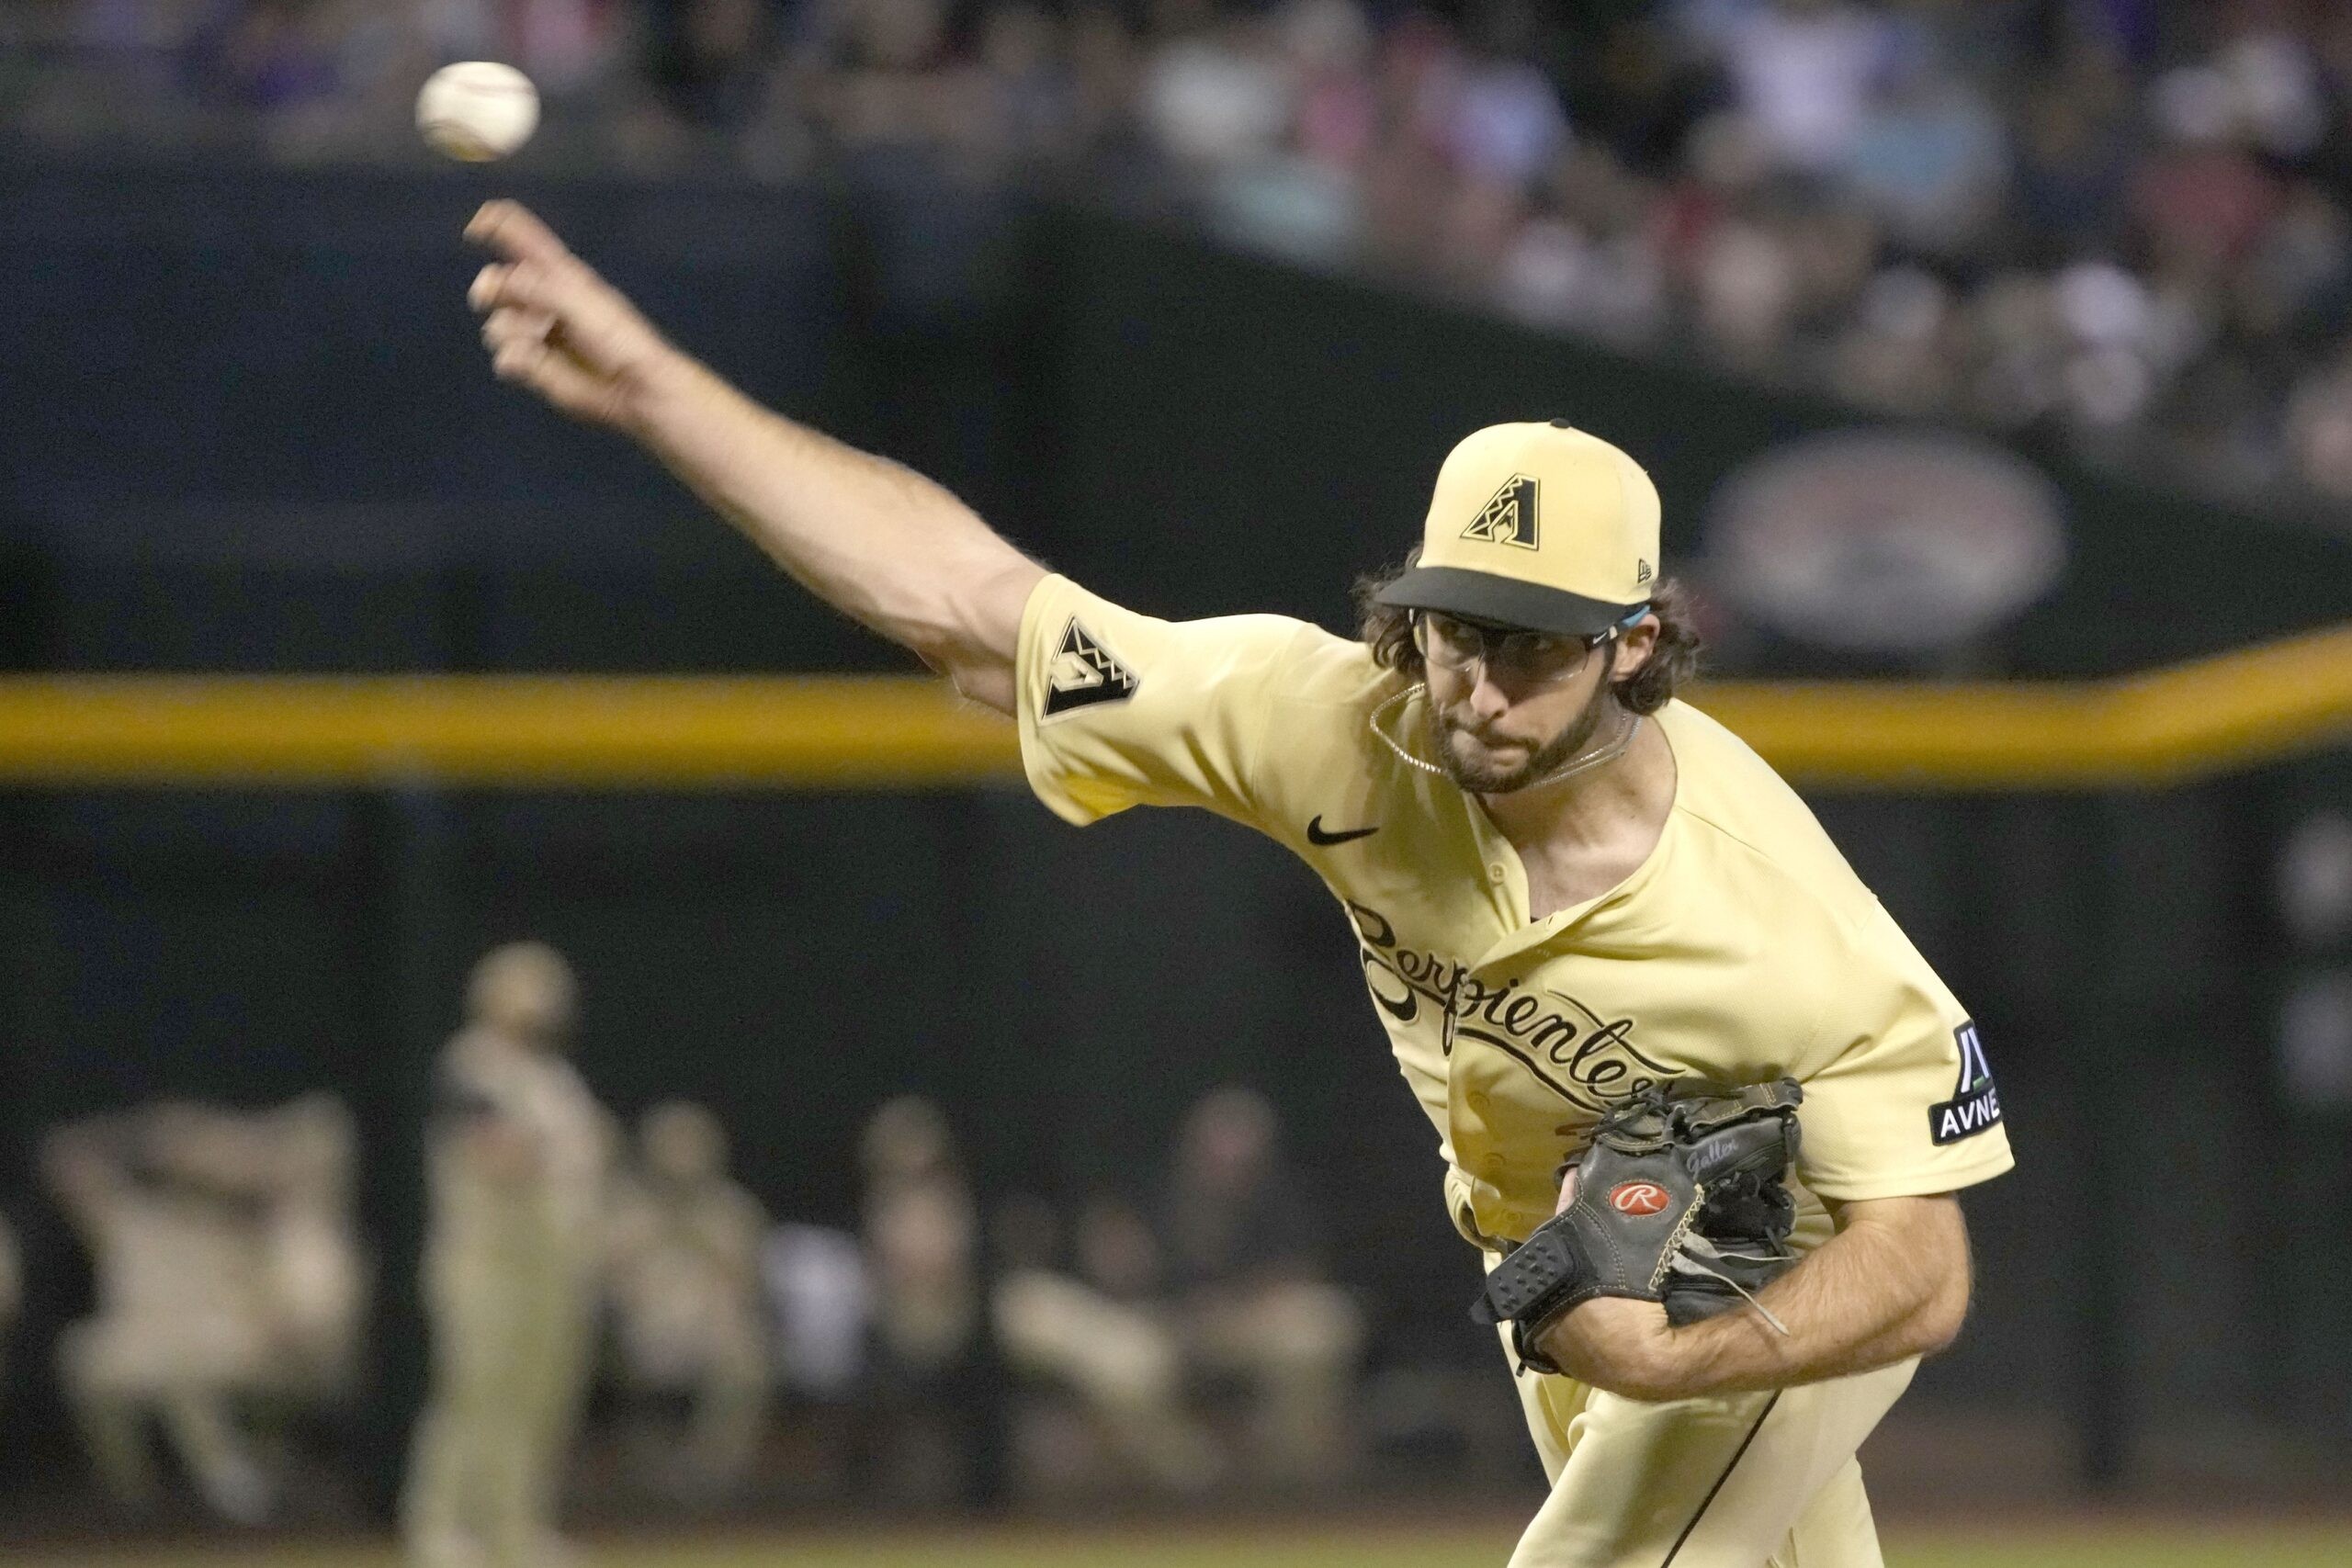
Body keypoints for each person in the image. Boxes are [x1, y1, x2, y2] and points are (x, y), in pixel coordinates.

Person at [463, 201, 2016, 1567]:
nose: (1475, 683)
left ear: (1635, 645)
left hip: (1773, 1247)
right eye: (1455, 625)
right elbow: (964, 603)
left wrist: (1690, 1360)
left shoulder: (1774, 923)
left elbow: (1921, 1263)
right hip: (1569, 1241)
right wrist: (663, 392)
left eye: (1530, 642)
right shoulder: (1330, 719)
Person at [404, 942, 614, 1568]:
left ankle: (516, 1529)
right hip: (486, 1262)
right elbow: (493, 1149)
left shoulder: (556, 1079)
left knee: (540, 1399)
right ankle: (439, 1529)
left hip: (555, 1266)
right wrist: (547, 1155)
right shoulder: (472, 1064)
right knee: (474, 1394)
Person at [605, 1099, 772, 1502]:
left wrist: (703, 1245)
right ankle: (647, 1476)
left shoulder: (733, 1211)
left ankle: (708, 1475)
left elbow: (749, 1284)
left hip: (712, 1332)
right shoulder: (625, 1211)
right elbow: (607, 1283)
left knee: (747, 1359)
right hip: (643, 1335)